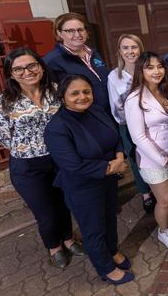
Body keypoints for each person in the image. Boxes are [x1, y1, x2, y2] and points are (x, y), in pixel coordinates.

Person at [0, 48, 83, 269]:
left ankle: (68, 238)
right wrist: (27, 145)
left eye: (32, 66)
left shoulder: (56, 91)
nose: (27, 72)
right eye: (18, 68)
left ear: (40, 67)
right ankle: (54, 246)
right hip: (27, 165)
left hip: (60, 160)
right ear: (10, 74)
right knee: (45, 211)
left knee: (64, 203)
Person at [44, 75, 133, 285]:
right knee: (94, 230)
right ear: (63, 97)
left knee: (110, 219)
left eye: (86, 91)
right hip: (82, 187)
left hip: (108, 180)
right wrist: (112, 167)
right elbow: (73, 165)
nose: (82, 97)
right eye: (74, 93)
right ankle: (106, 268)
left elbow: (115, 137)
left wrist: (120, 156)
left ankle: (112, 251)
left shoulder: (96, 110)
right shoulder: (57, 128)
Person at [124, 52, 168, 251]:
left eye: (159, 66)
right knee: (165, 199)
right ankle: (163, 230)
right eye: (150, 67)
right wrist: (161, 158)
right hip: (153, 159)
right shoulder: (134, 99)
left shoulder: (167, 90)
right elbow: (138, 137)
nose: (157, 71)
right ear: (141, 70)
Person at [107, 34, 155, 213]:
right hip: (127, 125)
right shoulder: (114, 76)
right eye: (125, 48)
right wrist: (133, 121)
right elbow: (115, 106)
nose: (130, 51)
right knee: (136, 158)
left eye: (134, 47)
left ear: (140, 49)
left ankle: (158, 187)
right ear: (119, 51)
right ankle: (145, 193)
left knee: (153, 155)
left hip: (152, 122)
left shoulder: (148, 69)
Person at [44, 12, 111, 114]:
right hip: (83, 116)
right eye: (70, 31)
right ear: (59, 33)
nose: (77, 34)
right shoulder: (52, 61)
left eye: (80, 30)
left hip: (107, 113)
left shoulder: (94, 53)